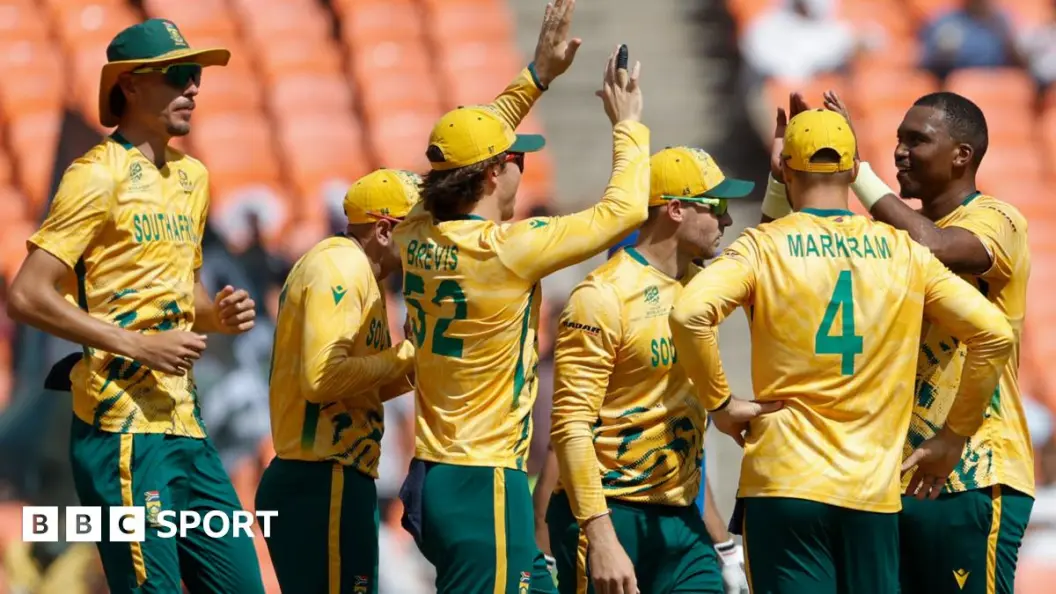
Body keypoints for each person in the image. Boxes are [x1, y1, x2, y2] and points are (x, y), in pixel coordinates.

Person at [668, 107, 1015, 594]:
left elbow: (689, 314)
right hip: (871, 490)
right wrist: (954, 436)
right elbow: (995, 334)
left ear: (786, 170)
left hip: (784, 480)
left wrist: (720, 404)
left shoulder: (762, 247)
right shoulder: (904, 251)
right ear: (854, 171)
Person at [393, 4, 649, 592]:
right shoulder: (508, 249)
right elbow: (626, 209)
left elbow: (457, 158)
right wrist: (628, 123)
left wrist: (537, 76)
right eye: (518, 160)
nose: (522, 171)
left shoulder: (413, 232)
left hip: (440, 471)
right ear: (494, 174)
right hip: (482, 477)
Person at [6, 18, 264, 594]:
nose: (193, 87)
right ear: (130, 84)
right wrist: (138, 345)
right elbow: (26, 294)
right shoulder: (96, 175)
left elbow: (180, 296)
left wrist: (216, 316)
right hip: (119, 429)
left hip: (185, 425)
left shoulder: (192, 178)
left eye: (196, 75)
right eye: (178, 74)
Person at [824, 90, 1036, 594]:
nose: (900, 152)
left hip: (973, 471)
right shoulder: (890, 239)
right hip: (894, 475)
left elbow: (934, 246)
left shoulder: (999, 220)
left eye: (916, 140)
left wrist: (859, 174)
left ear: (962, 155)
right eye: (899, 139)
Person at [547, 146, 753, 594]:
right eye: (716, 205)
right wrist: (601, 538)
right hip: (610, 513)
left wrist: (782, 178)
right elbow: (569, 427)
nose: (727, 219)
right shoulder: (601, 296)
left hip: (682, 517)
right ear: (675, 209)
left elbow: (774, 254)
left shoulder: (704, 287)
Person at [255, 168, 419, 594]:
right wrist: (405, 354)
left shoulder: (363, 274)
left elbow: (357, 385)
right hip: (321, 480)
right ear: (384, 230)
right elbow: (323, 378)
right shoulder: (341, 268)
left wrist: (414, 367)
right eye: (418, 229)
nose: (426, 243)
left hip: (335, 479)